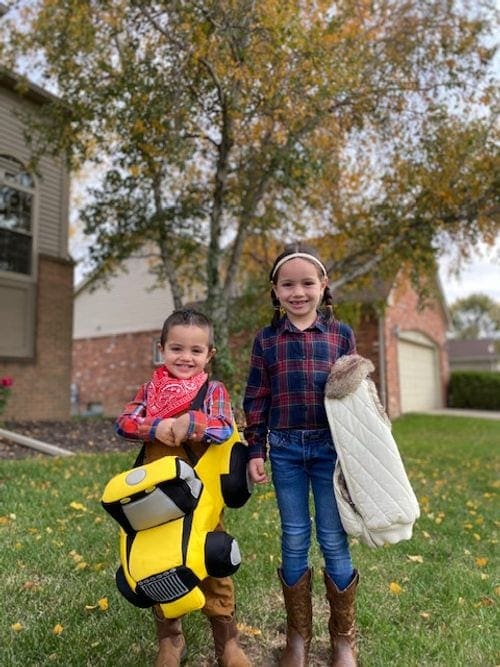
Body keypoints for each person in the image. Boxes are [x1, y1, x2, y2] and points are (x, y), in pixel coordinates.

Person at [243, 244, 359, 667]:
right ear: (274, 290)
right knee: (294, 538)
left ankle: (343, 640)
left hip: (331, 449)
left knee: (332, 539)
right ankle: (298, 638)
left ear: (323, 286)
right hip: (287, 450)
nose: (298, 292)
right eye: (287, 284)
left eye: (307, 283)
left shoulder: (341, 335)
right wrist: (256, 448)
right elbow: (256, 397)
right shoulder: (266, 340)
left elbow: (354, 394)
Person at [115, 309, 251, 667]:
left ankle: (226, 638)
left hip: (202, 494)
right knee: (160, 557)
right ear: (161, 349)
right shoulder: (149, 390)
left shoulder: (213, 391)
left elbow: (224, 427)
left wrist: (193, 423)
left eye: (195, 351)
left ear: (210, 355)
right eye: (176, 349)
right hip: (157, 496)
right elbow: (124, 423)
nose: (185, 358)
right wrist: (153, 427)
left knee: (211, 556)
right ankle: (170, 636)